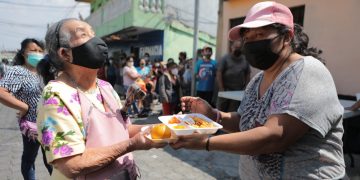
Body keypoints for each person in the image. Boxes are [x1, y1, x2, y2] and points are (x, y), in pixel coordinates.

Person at [171, 1, 345, 179]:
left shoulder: (308, 71)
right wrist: (213, 115)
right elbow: (246, 121)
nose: (252, 43)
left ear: (287, 37)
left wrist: (207, 142)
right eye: (248, 38)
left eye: (260, 34)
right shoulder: (258, 79)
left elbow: (274, 137)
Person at [36, 18, 164, 179]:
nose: (98, 41)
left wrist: (167, 127)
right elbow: (71, 165)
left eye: (93, 33)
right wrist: (133, 145)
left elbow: (124, 129)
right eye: (84, 34)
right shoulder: (56, 96)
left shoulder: (105, 87)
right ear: (65, 53)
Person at [0, 38, 53, 179]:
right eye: (33, 50)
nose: (37, 53)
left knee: (52, 159)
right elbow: (1, 92)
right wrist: (23, 106)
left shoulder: (46, 70)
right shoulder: (17, 71)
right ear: (23, 53)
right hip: (32, 125)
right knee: (29, 158)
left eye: (40, 51)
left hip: (52, 124)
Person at [216, 40, 251, 112]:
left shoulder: (245, 59)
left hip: (238, 91)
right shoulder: (225, 58)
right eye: (236, 47)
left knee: (233, 111)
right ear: (231, 47)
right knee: (220, 110)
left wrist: (246, 86)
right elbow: (219, 73)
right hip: (225, 89)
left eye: (239, 47)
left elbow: (248, 73)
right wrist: (221, 88)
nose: (238, 49)